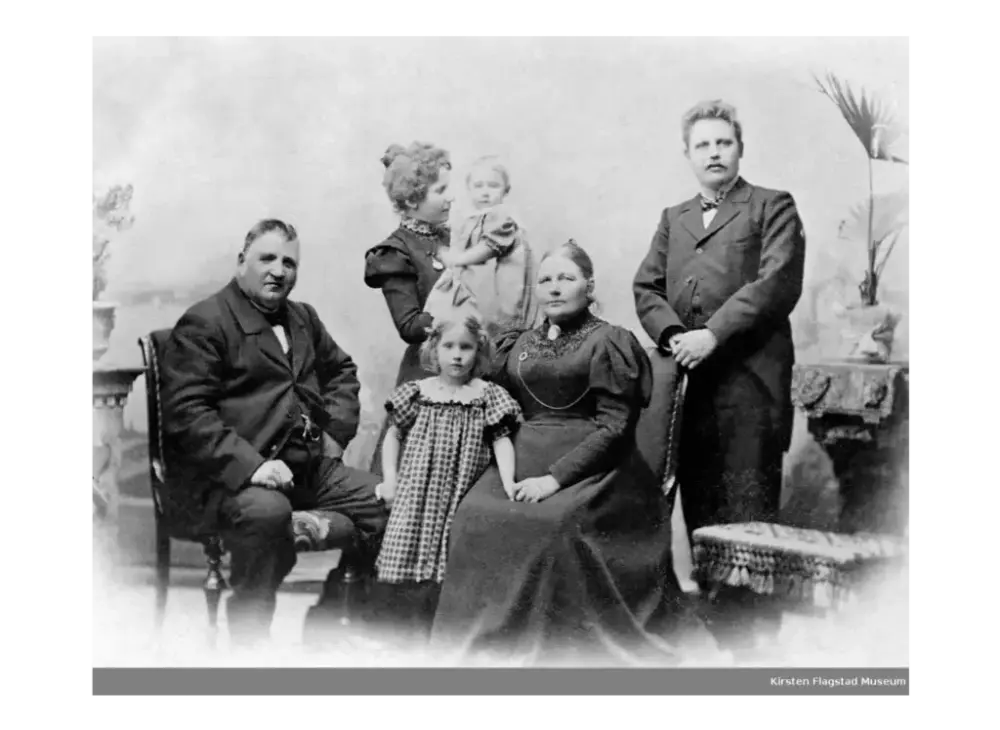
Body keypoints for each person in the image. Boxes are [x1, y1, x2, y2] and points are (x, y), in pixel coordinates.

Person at [429, 240, 703, 667]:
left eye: (567, 279)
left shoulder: (609, 341)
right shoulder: (515, 344)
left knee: (552, 524)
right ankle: (483, 648)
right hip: (520, 456)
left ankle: (552, 651)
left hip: (599, 469)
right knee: (471, 516)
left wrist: (553, 480)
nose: (554, 288)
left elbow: (615, 427)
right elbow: (493, 402)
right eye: (546, 280)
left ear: (589, 286)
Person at [160, 218, 389, 647]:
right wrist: (253, 467)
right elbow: (188, 414)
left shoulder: (303, 317)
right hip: (225, 478)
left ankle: (334, 619)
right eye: (267, 258)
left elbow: (342, 372)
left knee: (392, 503)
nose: (278, 271)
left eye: (289, 262)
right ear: (241, 261)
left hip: (305, 469)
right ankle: (250, 642)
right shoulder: (205, 322)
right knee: (268, 513)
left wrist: (335, 436)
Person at [632, 99, 807, 656]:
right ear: (687, 154)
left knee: (747, 503)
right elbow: (647, 288)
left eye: (723, 142)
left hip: (749, 383)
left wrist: (714, 334)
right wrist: (673, 336)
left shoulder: (771, 206)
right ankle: (714, 629)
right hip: (689, 384)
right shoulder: (673, 217)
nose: (714, 151)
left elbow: (775, 283)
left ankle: (754, 639)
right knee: (701, 504)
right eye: (703, 144)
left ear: (739, 148)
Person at [365, 313, 521, 646]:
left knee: (452, 562)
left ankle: (441, 635)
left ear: (478, 353)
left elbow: (501, 439)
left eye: (466, 347)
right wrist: (390, 478)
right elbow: (393, 435)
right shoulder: (418, 393)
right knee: (407, 558)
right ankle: (402, 636)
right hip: (417, 492)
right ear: (434, 351)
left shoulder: (486, 395)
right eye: (448, 346)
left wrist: (509, 482)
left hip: (460, 493)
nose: (457, 355)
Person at [363, 141, 455, 479]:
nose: (451, 197)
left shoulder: (450, 240)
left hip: (464, 365)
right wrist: (459, 317)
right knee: (412, 477)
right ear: (413, 199)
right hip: (427, 373)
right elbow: (410, 325)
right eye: (440, 190)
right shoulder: (396, 252)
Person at [438, 156, 540, 339]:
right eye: (478, 186)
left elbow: (488, 248)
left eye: (493, 186)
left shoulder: (501, 217)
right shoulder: (474, 218)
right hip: (480, 288)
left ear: (506, 190)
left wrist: (458, 259)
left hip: (503, 287)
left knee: (501, 326)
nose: (485, 192)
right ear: (469, 189)